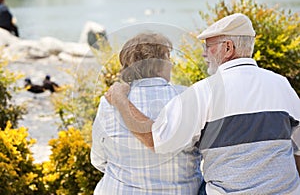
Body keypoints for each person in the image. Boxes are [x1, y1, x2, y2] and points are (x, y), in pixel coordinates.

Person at [105, 13, 300, 194]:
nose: (204, 54)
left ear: (228, 48)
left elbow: (155, 139)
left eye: (208, 47)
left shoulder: (203, 92)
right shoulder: (281, 84)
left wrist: (120, 99)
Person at [91, 32, 204, 194]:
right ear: (158, 65)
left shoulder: (109, 102)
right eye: (168, 58)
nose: (171, 64)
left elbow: (98, 159)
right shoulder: (189, 98)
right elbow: (203, 152)